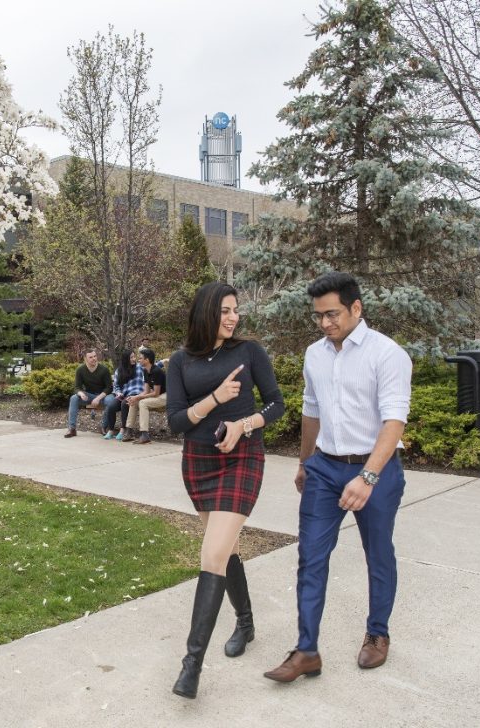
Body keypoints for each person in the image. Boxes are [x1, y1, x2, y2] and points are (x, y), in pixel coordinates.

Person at [264, 271, 412, 683]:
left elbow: (394, 421)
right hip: (324, 468)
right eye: (318, 316)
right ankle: (306, 650)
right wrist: (303, 462)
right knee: (311, 557)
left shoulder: (387, 354)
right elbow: (311, 410)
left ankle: (377, 634)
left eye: (332, 314)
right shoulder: (315, 354)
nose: (325, 323)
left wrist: (366, 477)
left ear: (356, 308)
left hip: (376, 471)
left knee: (378, 554)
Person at [166, 281, 285, 699]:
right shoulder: (180, 361)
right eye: (225, 311)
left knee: (213, 553)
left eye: (236, 310)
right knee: (226, 549)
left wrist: (243, 425)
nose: (234, 317)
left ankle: (191, 665)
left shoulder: (249, 352)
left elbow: (276, 404)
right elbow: (176, 421)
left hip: (242, 459)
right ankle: (246, 622)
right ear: (206, 313)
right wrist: (215, 399)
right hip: (199, 464)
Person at [64, 349, 114, 438]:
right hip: (89, 396)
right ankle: (72, 429)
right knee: (74, 398)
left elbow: (109, 388)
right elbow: (77, 387)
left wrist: (98, 398)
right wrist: (80, 393)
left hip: (103, 396)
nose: (94, 358)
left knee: (110, 401)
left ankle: (104, 427)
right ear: (85, 359)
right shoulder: (80, 370)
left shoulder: (104, 369)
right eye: (91, 357)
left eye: (95, 356)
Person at [123, 348, 167, 445]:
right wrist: (135, 397)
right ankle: (128, 431)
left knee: (142, 403)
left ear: (147, 360)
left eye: (140, 358)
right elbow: (146, 391)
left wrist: (138, 398)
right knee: (134, 401)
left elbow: (156, 393)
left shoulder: (156, 371)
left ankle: (145, 435)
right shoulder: (146, 371)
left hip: (167, 396)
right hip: (158, 394)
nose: (138, 360)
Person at [102, 349, 144, 440]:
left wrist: (164, 361)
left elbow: (152, 366)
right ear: (126, 359)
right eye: (131, 357)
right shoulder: (119, 371)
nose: (134, 359)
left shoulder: (140, 367)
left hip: (136, 395)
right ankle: (111, 430)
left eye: (134, 356)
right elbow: (116, 385)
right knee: (111, 406)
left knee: (124, 403)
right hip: (123, 395)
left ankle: (123, 429)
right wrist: (118, 392)